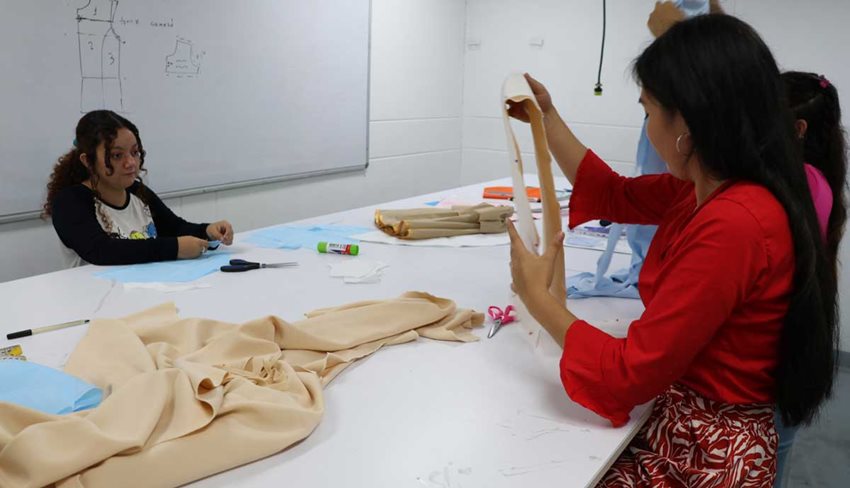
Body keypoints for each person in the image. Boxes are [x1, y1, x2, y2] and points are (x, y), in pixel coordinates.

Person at [507, 15, 838, 486]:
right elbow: (613, 192)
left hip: (708, 453)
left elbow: (629, 374)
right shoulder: (706, 188)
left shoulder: (736, 222)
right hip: (686, 421)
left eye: (648, 112)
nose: (647, 130)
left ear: (687, 121)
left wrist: (536, 296)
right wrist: (548, 117)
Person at [771, 71, 847, 487]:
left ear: (798, 129)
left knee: (771, 458)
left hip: (783, 350)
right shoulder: (816, 180)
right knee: (776, 454)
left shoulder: (799, 184)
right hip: (794, 347)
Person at [44, 110, 234, 267]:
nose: (131, 163)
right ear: (88, 161)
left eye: (135, 152)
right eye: (117, 155)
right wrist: (175, 248)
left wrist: (207, 230)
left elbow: (175, 227)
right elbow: (102, 251)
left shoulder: (137, 191)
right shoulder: (70, 201)